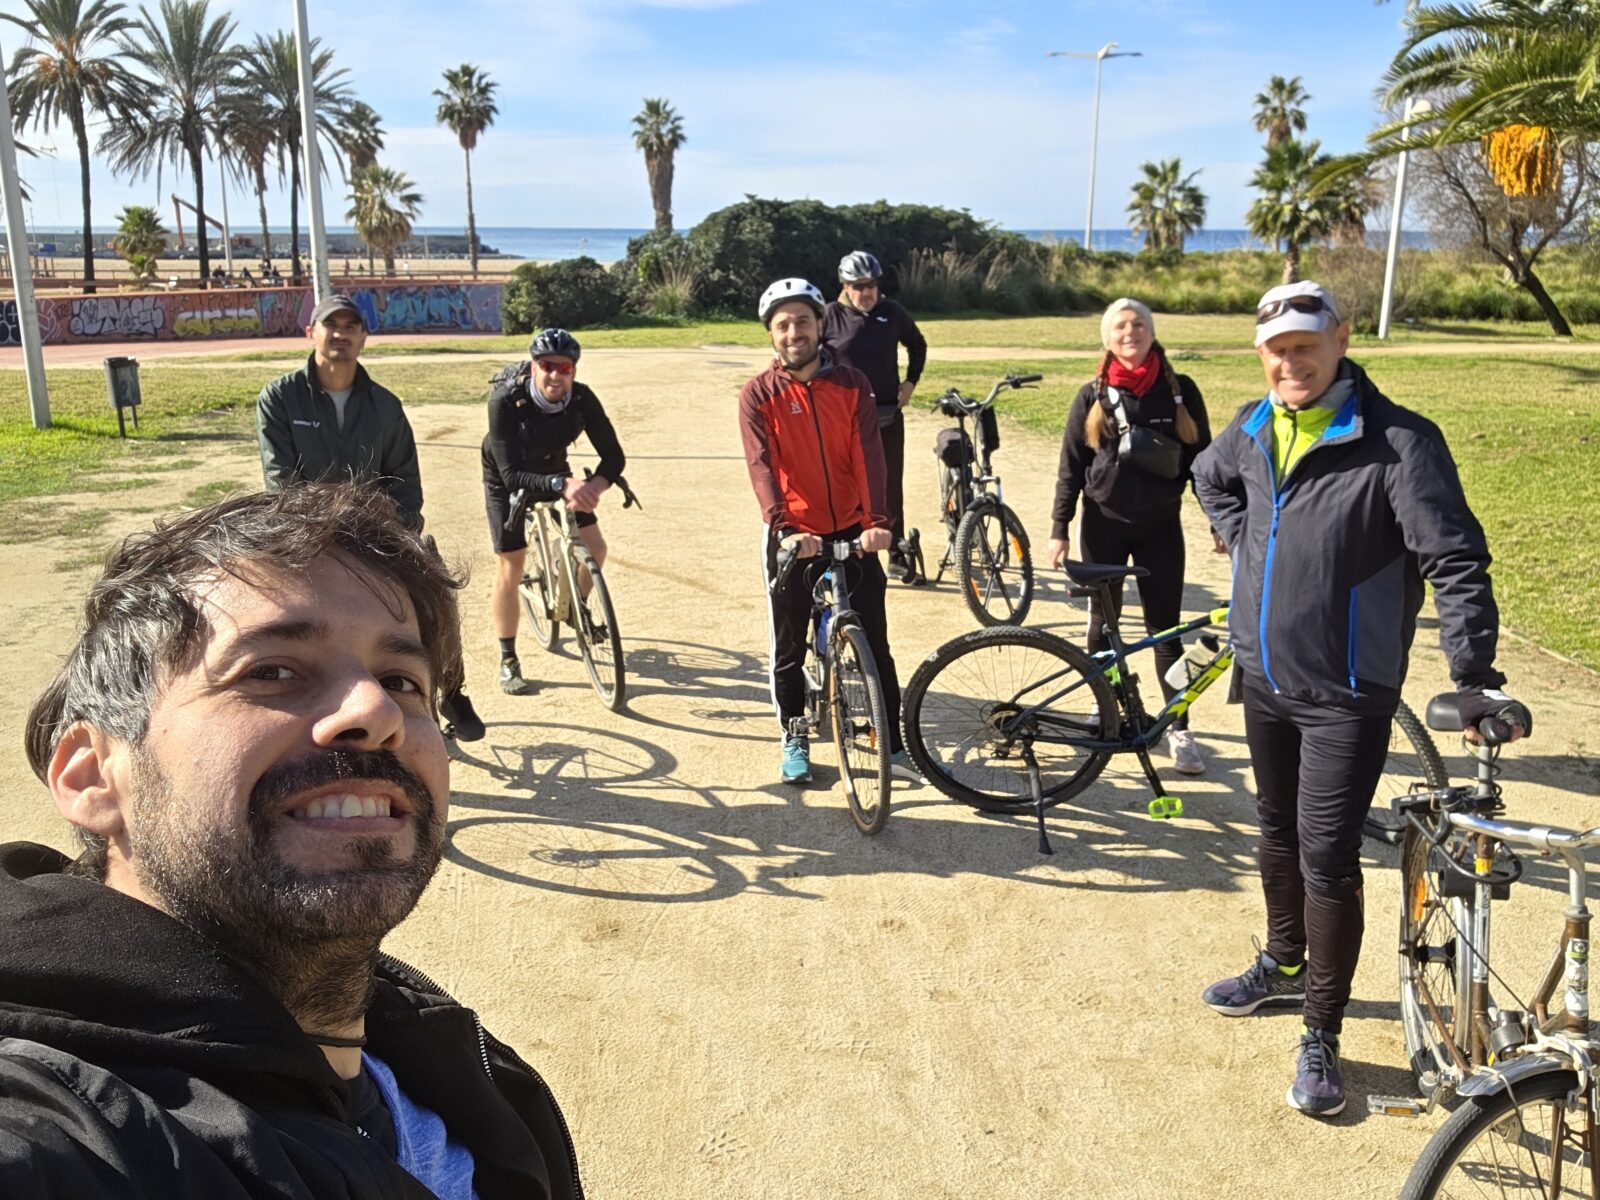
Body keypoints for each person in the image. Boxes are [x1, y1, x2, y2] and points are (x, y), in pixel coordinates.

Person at [2, 484, 582, 1198]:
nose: (373, 711)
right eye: (272, 672)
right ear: (93, 776)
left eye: (402, 680)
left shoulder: (437, 1054)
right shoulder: (64, 1132)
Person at [1192, 280, 1530, 1119]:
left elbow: (1454, 560)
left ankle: (1322, 1031)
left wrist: (1473, 674)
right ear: (1260, 352)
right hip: (1263, 677)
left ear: (1341, 339)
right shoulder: (1254, 425)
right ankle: (1283, 963)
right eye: (1276, 347)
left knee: (1327, 861)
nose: (1290, 360)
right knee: (1273, 832)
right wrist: (1239, 537)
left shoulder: (1400, 443)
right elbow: (1209, 478)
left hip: (1346, 691)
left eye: (1306, 344)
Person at [256, 294, 486, 742]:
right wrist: (330, 536)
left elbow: (405, 484)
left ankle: (451, 687)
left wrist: (389, 536)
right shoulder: (280, 398)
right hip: (308, 538)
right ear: (312, 333)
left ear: (364, 337)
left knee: (436, 588)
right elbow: (283, 483)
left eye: (350, 325)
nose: (340, 333)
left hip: (378, 537)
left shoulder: (385, 405)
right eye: (330, 324)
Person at [740, 278, 916, 784]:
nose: (793, 332)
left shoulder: (852, 384)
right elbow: (761, 467)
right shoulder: (758, 395)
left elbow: (868, 455)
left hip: (853, 531)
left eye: (802, 321)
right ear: (772, 335)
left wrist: (878, 523)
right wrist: (785, 528)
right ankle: (794, 731)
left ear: (820, 325)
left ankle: (892, 741)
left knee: (875, 639)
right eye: (782, 325)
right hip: (795, 534)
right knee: (790, 645)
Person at [1046, 298, 1213, 775]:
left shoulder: (1181, 391)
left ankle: (1179, 729)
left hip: (1162, 528)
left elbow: (1203, 465)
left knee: (1167, 631)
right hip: (1104, 525)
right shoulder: (1091, 395)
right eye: (1119, 326)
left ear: (1151, 331)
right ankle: (1104, 707)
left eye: (1138, 324)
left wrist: (1219, 523)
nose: (1129, 332)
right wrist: (1059, 529)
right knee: (1104, 625)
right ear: (1107, 337)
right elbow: (1071, 469)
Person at [481, 327, 625, 697]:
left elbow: (614, 457)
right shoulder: (505, 400)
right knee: (512, 564)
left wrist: (596, 486)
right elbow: (511, 473)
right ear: (533, 367)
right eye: (547, 366)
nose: (556, 375)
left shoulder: (581, 399)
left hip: (554, 470)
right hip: (507, 476)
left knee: (596, 548)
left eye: (564, 367)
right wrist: (563, 485)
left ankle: (576, 608)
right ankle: (509, 657)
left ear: (574, 370)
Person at [822, 251, 928, 584]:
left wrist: (911, 381)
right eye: (858, 286)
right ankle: (849, 551)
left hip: (885, 415)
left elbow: (918, 344)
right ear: (845, 285)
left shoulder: (892, 313)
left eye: (871, 285)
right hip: (842, 420)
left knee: (887, 486)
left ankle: (896, 553)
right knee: (845, 485)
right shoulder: (828, 316)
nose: (867, 292)